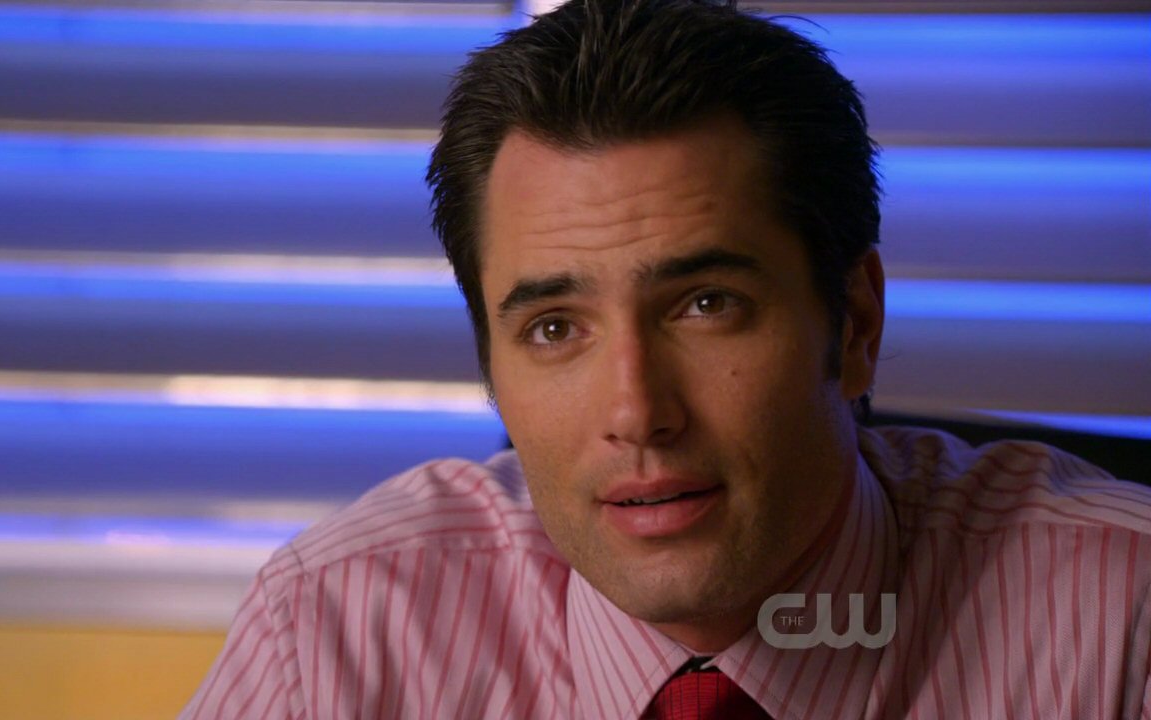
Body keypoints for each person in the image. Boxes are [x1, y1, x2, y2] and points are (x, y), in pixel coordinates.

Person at [180, 0, 1151, 717]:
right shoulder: (338, 634)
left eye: (705, 305)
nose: (636, 412)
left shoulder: (1122, 622)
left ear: (854, 325)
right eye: (554, 328)